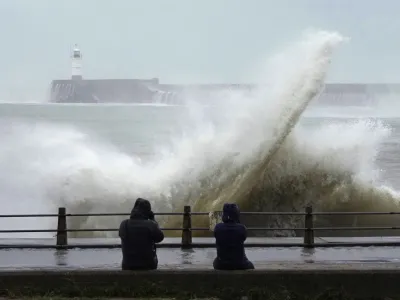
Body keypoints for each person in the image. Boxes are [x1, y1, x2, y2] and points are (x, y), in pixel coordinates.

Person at [119, 198, 164, 270]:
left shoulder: (124, 224)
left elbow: (123, 236)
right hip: (148, 265)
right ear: (148, 212)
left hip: (127, 265)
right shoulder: (151, 224)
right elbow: (160, 238)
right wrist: (153, 220)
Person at [213, 203, 254, 270]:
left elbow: (216, 236)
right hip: (240, 264)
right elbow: (243, 238)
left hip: (222, 264)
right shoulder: (242, 228)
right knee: (251, 266)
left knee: (215, 262)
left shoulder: (217, 227)